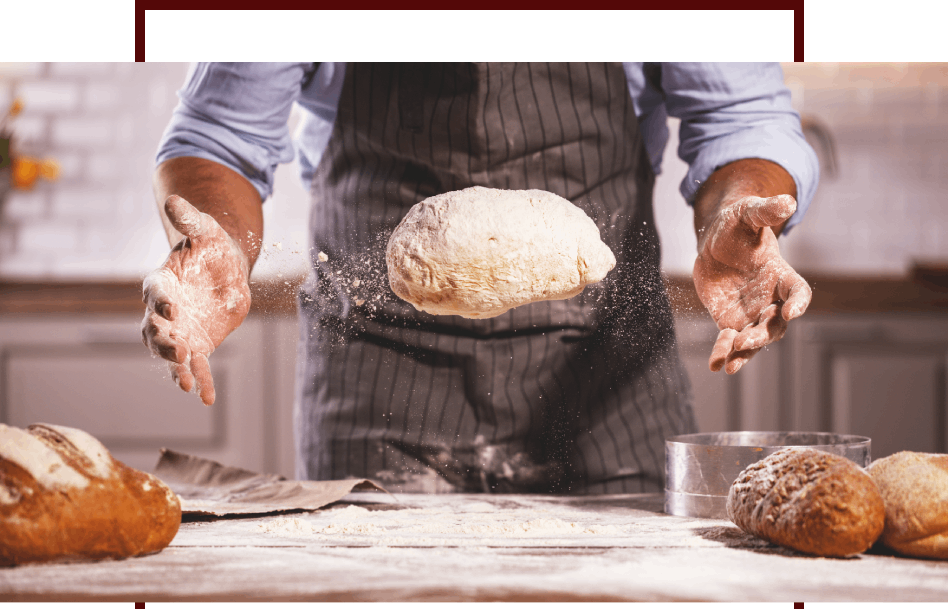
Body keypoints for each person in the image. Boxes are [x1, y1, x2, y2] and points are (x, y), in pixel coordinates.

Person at [145, 62, 818, 494]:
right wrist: (217, 241)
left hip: (605, 376)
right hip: (378, 372)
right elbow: (219, 133)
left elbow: (742, 118)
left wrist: (737, 213)